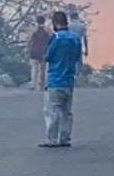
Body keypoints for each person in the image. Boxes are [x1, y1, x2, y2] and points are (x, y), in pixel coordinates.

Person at [39, 11, 81, 148]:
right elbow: (76, 57)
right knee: (66, 111)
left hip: (55, 79)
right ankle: (65, 137)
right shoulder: (75, 38)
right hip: (69, 79)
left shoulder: (55, 38)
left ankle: (51, 139)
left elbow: (48, 56)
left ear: (55, 23)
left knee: (53, 110)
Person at [28, 15, 49, 90]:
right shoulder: (47, 29)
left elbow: (29, 40)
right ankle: (42, 85)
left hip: (34, 50)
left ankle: (33, 84)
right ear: (44, 21)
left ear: (37, 21)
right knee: (43, 69)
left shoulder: (34, 29)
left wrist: (28, 48)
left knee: (34, 68)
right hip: (43, 51)